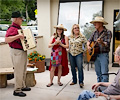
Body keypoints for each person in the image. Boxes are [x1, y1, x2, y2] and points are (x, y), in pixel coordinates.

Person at [5, 11, 31, 97]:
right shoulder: (12, 28)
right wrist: (18, 36)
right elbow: (7, 40)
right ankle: (17, 90)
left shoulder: (18, 28)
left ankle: (22, 86)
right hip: (16, 52)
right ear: (16, 19)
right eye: (20, 18)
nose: (22, 20)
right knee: (18, 71)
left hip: (21, 51)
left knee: (23, 70)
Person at [87, 16, 112, 82]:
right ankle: (99, 88)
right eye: (94, 23)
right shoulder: (94, 33)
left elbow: (107, 44)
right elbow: (88, 41)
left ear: (101, 23)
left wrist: (101, 42)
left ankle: (104, 90)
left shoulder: (108, 32)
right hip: (95, 55)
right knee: (98, 73)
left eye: (96, 23)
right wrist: (88, 46)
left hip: (103, 55)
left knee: (104, 74)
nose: (94, 24)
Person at [68, 24, 87, 88]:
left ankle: (81, 82)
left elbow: (86, 45)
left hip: (79, 54)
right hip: (71, 54)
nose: (77, 29)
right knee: (73, 68)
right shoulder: (70, 37)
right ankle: (74, 80)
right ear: (73, 30)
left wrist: (84, 51)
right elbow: (66, 43)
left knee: (80, 68)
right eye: (75, 28)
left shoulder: (82, 37)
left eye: (78, 28)